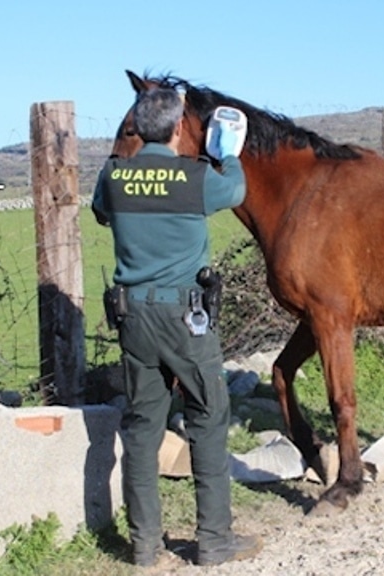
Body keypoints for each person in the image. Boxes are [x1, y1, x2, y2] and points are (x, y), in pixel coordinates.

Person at [91, 87, 261, 568]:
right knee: (208, 416)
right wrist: (226, 154)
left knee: (142, 429)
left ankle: (144, 548)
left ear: (138, 127)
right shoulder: (197, 178)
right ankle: (213, 541)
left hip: (133, 318)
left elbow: (102, 211)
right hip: (187, 319)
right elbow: (238, 189)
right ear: (179, 128)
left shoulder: (113, 176)